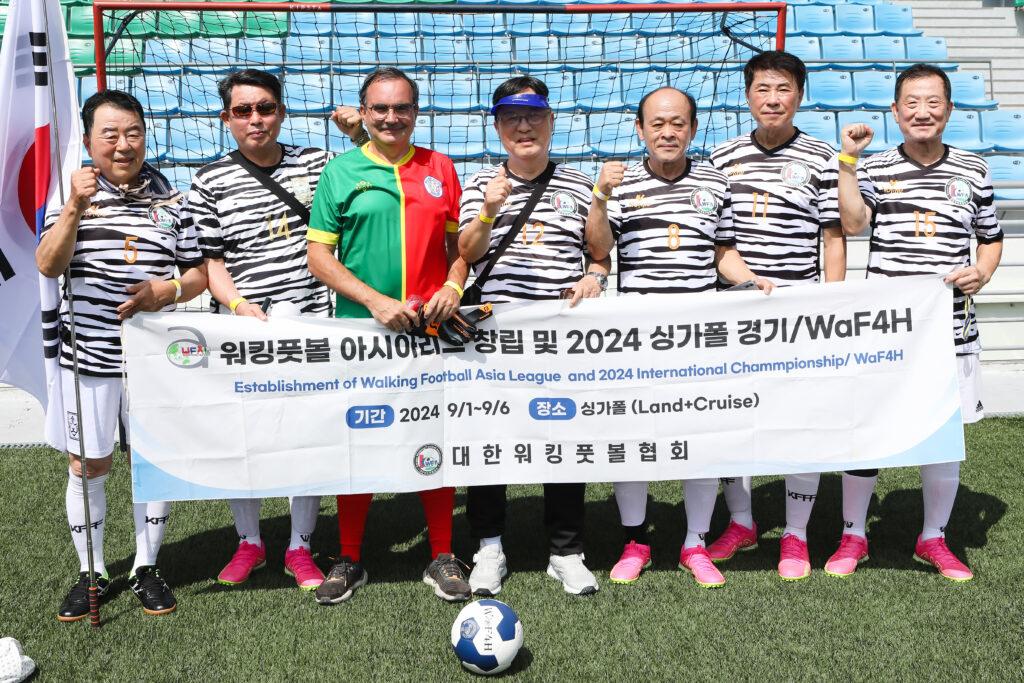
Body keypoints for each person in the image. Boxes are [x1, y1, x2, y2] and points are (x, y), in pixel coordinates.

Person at [587, 87, 772, 589]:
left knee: (701, 440)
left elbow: (723, 252)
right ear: (640, 129)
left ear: (692, 128)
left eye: (678, 123)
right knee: (633, 439)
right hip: (638, 336)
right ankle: (635, 542)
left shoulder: (715, 182)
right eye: (657, 123)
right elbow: (599, 249)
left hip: (700, 338)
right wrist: (600, 197)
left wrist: (750, 282)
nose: (667, 132)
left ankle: (695, 543)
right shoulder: (619, 183)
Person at [35, 90, 207, 620]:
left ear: (145, 136)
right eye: (109, 134)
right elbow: (47, 264)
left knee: (152, 462)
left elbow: (197, 274)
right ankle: (91, 570)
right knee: (88, 464)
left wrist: (166, 291)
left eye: (133, 132)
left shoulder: (174, 199)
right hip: (88, 359)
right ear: (89, 141)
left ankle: (146, 566)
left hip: (153, 363)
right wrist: (74, 207)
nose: (123, 144)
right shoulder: (71, 194)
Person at [185, 68, 357, 592]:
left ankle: (301, 545)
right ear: (226, 118)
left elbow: (378, 170)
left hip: (311, 321)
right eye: (243, 111)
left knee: (306, 435)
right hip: (243, 331)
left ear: (281, 112)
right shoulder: (208, 180)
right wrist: (239, 306)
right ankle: (250, 542)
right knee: (245, 439)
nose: (255, 119)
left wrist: (357, 133)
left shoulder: (319, 163)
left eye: (265, 108)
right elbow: (212, 262)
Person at [830, 63, 1002, 581]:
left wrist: (983, 271)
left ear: (949, 109)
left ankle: (934, 537)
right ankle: (853, 535)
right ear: (895, 111)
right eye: (912, 103)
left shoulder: (973, 170)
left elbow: (990, 238)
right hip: (885, 329)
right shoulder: (876, 167)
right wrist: (848, 163)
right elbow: (853, 224)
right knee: (868, 431)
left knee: (943, 434)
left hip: (950, 328)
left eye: (933, 103)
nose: (922, 112)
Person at [306, 67, 471, 604]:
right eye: (380, 108)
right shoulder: (340, 171)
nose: (391, 117)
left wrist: (452, 285)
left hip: (430, 331)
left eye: (402, 108)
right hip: (361, 332)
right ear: (364, 112)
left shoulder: (441, 168)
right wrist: (374, 301)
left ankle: (442, 554)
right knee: (359, 438)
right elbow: (318, 256)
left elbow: (459, 250)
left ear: (416, 113)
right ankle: (348, 557)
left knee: (435, 435)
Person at [457, 76, 610, 597]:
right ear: (498, 127)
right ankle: (489, 547)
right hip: (493, 339)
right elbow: (467, 253)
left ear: (550, 121)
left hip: (557, 341)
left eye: (533, 116)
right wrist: (488, 209)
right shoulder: (480, 181)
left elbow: (599, 253)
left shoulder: (578, 184)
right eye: (511, 118)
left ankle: (566, 550)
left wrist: (595, 276)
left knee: (563, 438)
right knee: (488, 441)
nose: (524, 127)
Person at [704, 51, 848, 580]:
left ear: (799, 95)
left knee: (799, 422)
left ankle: (796, 533)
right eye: (762, 89)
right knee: (731, 415)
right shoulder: (721, 157)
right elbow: (717, 241)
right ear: (747, 96)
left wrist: (831, 305)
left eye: (783, 88)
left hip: (798, 314)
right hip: (735, 310)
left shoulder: (821, 157)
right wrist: (745, 283)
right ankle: (741, 522)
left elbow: (833, 237)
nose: (772, 99)